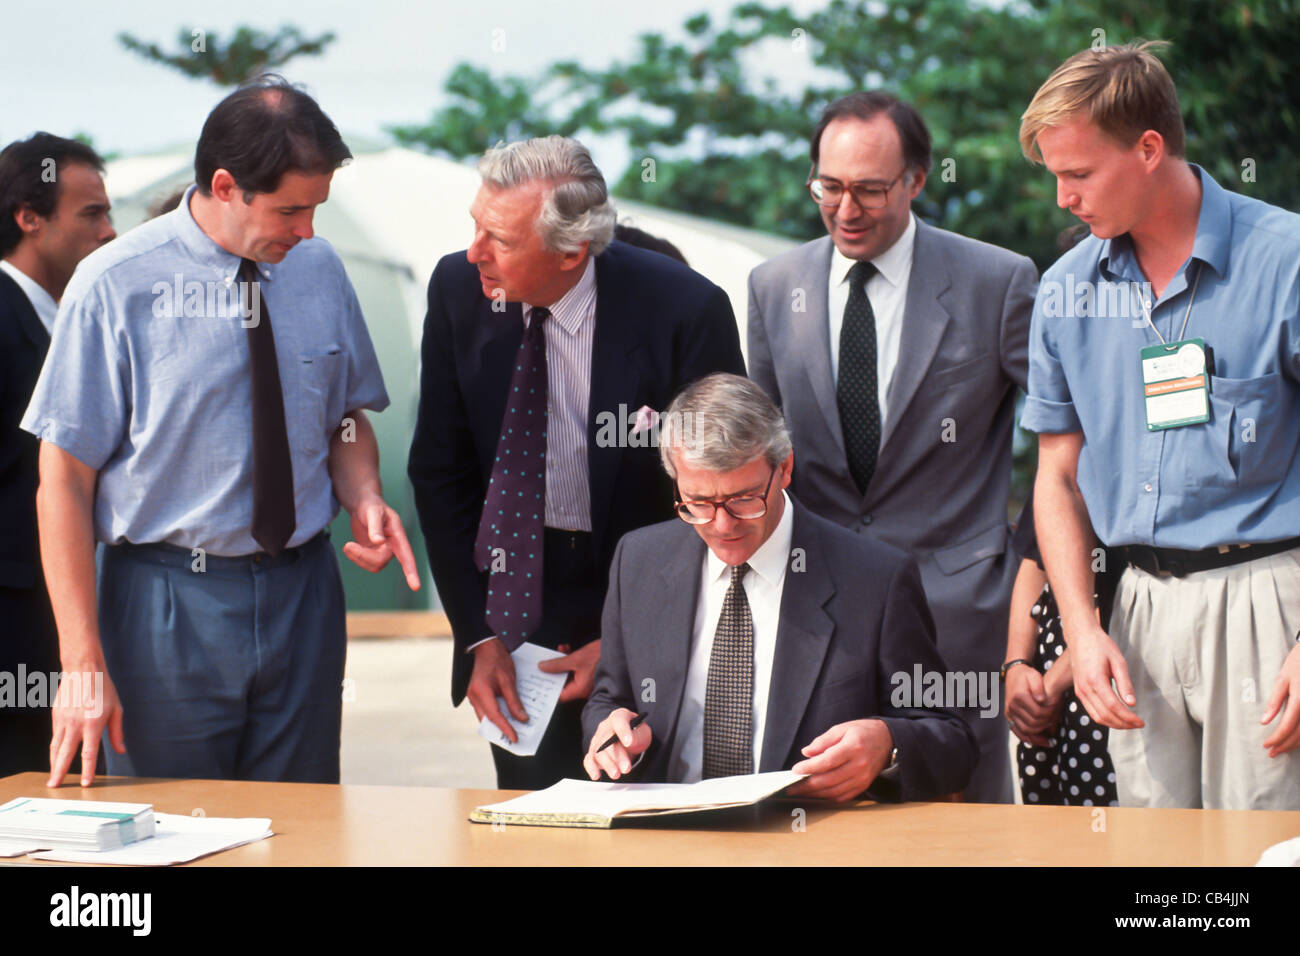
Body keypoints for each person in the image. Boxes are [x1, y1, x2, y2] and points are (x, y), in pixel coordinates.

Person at [22, 75, 419, 788]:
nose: (309, 232)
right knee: (163, 833)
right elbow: (63, 479)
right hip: (163, 608)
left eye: (316, 210)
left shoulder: (320, 270)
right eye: (291, 211)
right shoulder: (115, 285)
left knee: (299, 834)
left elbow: (345, 417)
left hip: (305, 597)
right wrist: (81, 663)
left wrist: (363, 494)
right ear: (227, 184)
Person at [408, 136, 745, 790]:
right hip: (517, 594)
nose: (475, 251)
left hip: (650, 582)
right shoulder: (459, 287)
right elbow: (440, 473)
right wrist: (479, 637)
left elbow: (721, 495)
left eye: (498, 239)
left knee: (656, 814)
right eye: (475, 227)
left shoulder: (685, 311)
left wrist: (630, 644)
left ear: (571, 251)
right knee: (536, 820)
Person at [1019, 41, 1300, 809]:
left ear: (1149, 149)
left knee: (1265, 851)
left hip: (1270, 600)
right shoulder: (1065, 289)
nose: (1062, 200)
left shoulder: (1288, 260)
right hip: (1134, 604)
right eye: (1054, 176)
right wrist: (1081, 629)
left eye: (1078, 174)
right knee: (1153, 862)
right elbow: (1057, 477)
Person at [746, 91, 1038, 802]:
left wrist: (1022, 562)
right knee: (816, 807)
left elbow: (1074, 440)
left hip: (958, 609)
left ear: (916, 179)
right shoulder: (771, 286)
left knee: (966, 817)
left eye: (871, 189)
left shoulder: (997, 282)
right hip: (815, 604)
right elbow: (760, 453)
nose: (847, 209)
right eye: (830, 186)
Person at [583, 373, 977, 800]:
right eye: (697, 503)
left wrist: (888, 745)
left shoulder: (875, 579)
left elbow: (952, 744)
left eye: (743, 499)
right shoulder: (639, 560)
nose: (722, 525)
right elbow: (609, 700)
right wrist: (615, 734)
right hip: (669, 838)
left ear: (785, 467)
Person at [0, 133, 115, 777]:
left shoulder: (65, 318)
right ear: (28, 218)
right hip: (17, 645)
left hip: (58, 639)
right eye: (90, 213)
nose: (108, 231)